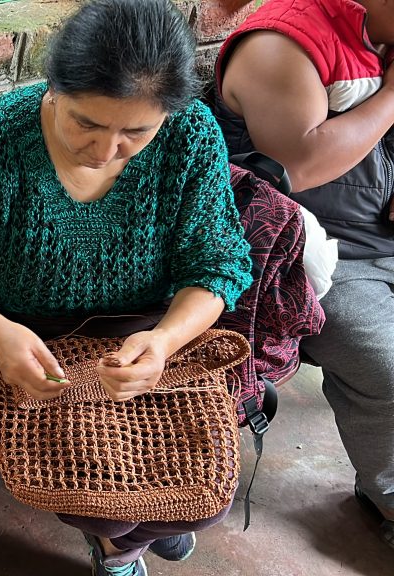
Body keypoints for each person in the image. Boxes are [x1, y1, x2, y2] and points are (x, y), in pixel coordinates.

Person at [0, 0, 253, 574]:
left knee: (201, 482)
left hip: (143, 332)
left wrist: (165, 342)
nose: (104, 151)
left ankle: (146, 529)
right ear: (53, 88)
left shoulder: (190, 135)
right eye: (86, 123)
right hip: (32, 344)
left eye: (136, 131)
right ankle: (123, 546)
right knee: (97, 495)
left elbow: (216, 269)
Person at [213, 0, 394, 550]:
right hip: (315, 258)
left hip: (378, 228)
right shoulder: (283, 44)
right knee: (387, 367)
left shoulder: (378, 35)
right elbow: (302, 162)